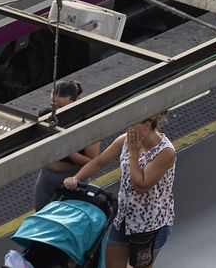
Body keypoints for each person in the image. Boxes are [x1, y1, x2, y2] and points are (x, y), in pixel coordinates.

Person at [64, 112, 176, 268]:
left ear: (147, 124)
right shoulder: (125, 140)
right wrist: (76, 178)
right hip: (123, 217)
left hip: (150, 225)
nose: (128, 128)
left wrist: (133, 153)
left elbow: (141, 186)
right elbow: (99, 162)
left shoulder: (165, 152)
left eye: (132, 124)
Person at [33, 80, 100, 211]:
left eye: (62, 107)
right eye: (54, 105)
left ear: (75, 101)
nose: (56, 112)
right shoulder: (47, 116)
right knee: (40, 220)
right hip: (45, 179)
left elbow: (93, 162)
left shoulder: (87, 125)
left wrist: (67, 150)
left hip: (71, 182)